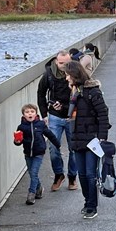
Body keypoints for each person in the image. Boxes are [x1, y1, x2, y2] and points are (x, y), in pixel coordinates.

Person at [64, 60, 110, 219]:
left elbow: (103, 115)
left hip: (92, 139)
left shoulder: (93, 92)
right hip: (77, 139)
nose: (66, 78)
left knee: (91, 174)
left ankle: (92, 205)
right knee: (82, 174)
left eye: (68, 75)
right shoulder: (74, 92)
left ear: (75, 75)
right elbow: (71, 114)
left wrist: (102, 138)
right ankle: (87, 201)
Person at [36, 50, 78, 191]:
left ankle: (72, 177)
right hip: (54, 116)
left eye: (67, 63)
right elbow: (41, 93)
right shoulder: (48, 74)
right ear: (56, 61)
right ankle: (59, 175)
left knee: (74, 149)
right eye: (61, 63)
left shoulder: (75, 72)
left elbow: (82, 93)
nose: (64, 66)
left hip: (72, 116)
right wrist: (44, 114)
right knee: (54, 148)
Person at [14, 104, 61, 205]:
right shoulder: (21, 127)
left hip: (38, 153)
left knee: (34, 173)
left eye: (32, 112)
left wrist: (57, 144)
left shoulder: (40, 124)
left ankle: (31, 193)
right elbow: (19, 141)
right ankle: (39, 188)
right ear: (23, 115)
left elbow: (50, 134)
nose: (30, 114)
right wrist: (17, 141)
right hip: (27, 153)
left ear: (36, 114)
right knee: (31, 173)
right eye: (27, 112)